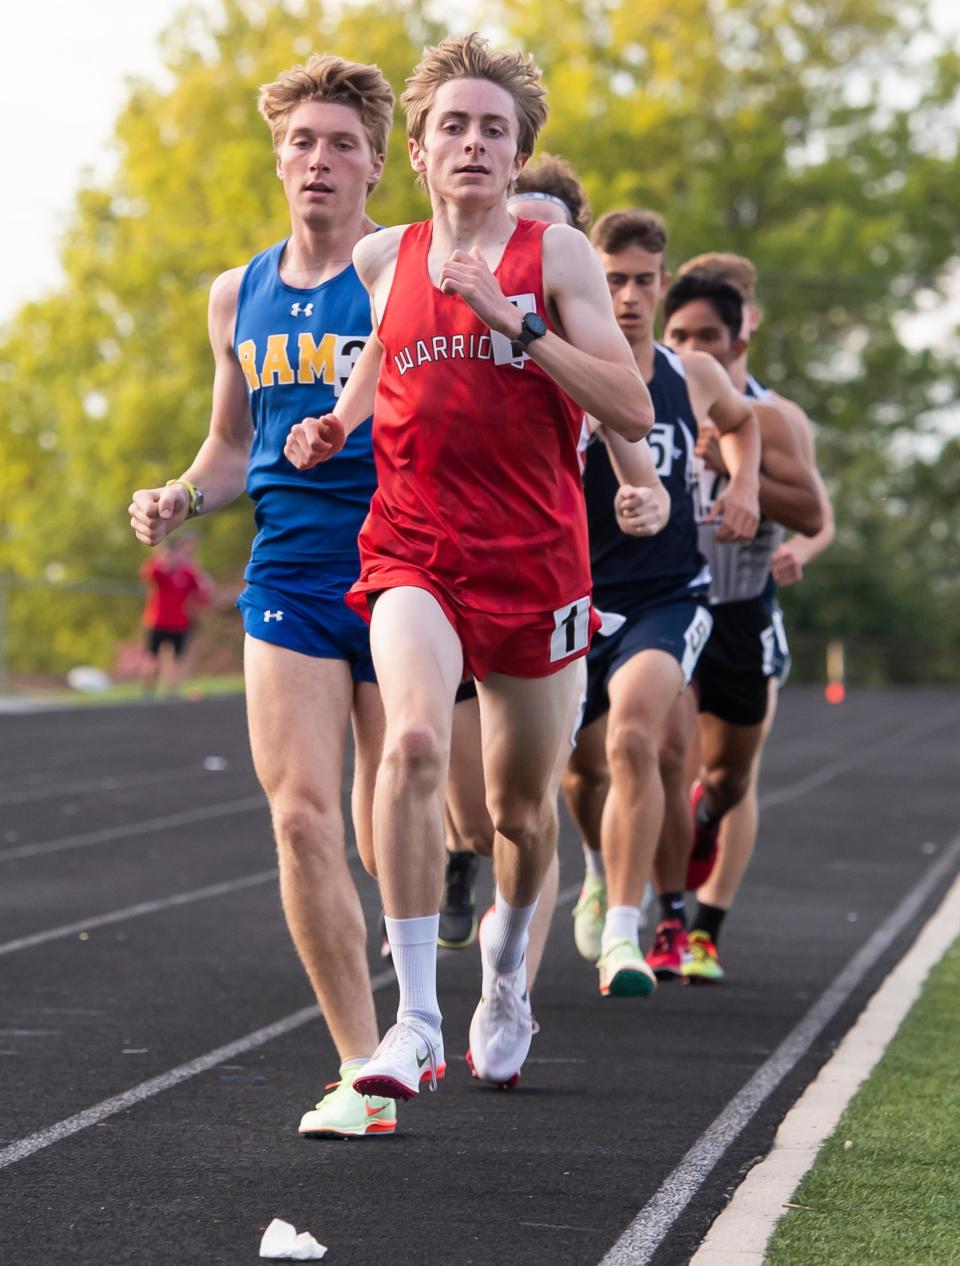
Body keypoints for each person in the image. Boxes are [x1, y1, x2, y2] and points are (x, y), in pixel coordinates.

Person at [285, 33, 654, 1099]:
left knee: (522, 819)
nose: (475, 143)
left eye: (496, 127)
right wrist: (333, 425)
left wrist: (517, 321)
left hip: (537, 565)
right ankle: (412, 1020)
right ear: (422, 150)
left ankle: (506, 972)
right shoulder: (381, 259)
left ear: (516, 148)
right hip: (414, 548)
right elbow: (383, 372)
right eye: (454, 124)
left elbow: (628, 404)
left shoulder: (558, 261)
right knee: (405, 742)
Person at [129, 55, 400, 1137]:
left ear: (379, 164)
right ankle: (361, 1068)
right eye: (302, 142)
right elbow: (232, 445)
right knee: (300, 819)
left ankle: (448, 905)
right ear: (278, 158)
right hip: (288, 572)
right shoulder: (235, 293)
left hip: (405, 561)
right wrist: (180, 494)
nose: (319, 160)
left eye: (342, 144)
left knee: (405, 817)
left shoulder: (391, 268)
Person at [560, 209, 763, 998]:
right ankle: (597, 872)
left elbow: (742, 425)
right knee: (577, 779)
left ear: (663, 282)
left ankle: (626, 932)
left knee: (637, 737)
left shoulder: (693, 375)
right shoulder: (562, 372)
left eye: (646, 280)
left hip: (669, 595)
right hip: (576, 596)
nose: (630, 296)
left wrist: (741, 484)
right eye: (613, 279)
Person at [669, 253, 835, 981]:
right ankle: (671, 921)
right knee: (651, 752)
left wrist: (745, 477)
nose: (692, 351)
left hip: (742, 608)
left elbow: (814, 513)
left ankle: (704, 843)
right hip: (669, 605)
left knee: (730, 780)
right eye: (680, 335)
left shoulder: (774, 417)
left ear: (740, 340)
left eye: (707, 336)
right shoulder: (645, 393)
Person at [139, 534, 212, 695]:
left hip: (179, 622)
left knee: (178, 659)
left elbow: (202, 593)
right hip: (157, 621)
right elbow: (147, 574)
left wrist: (197, 571)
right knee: (152, 658)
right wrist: (163, 558)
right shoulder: (160, 570)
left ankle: (173, 692)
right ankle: (147, 691)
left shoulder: (187, 573)